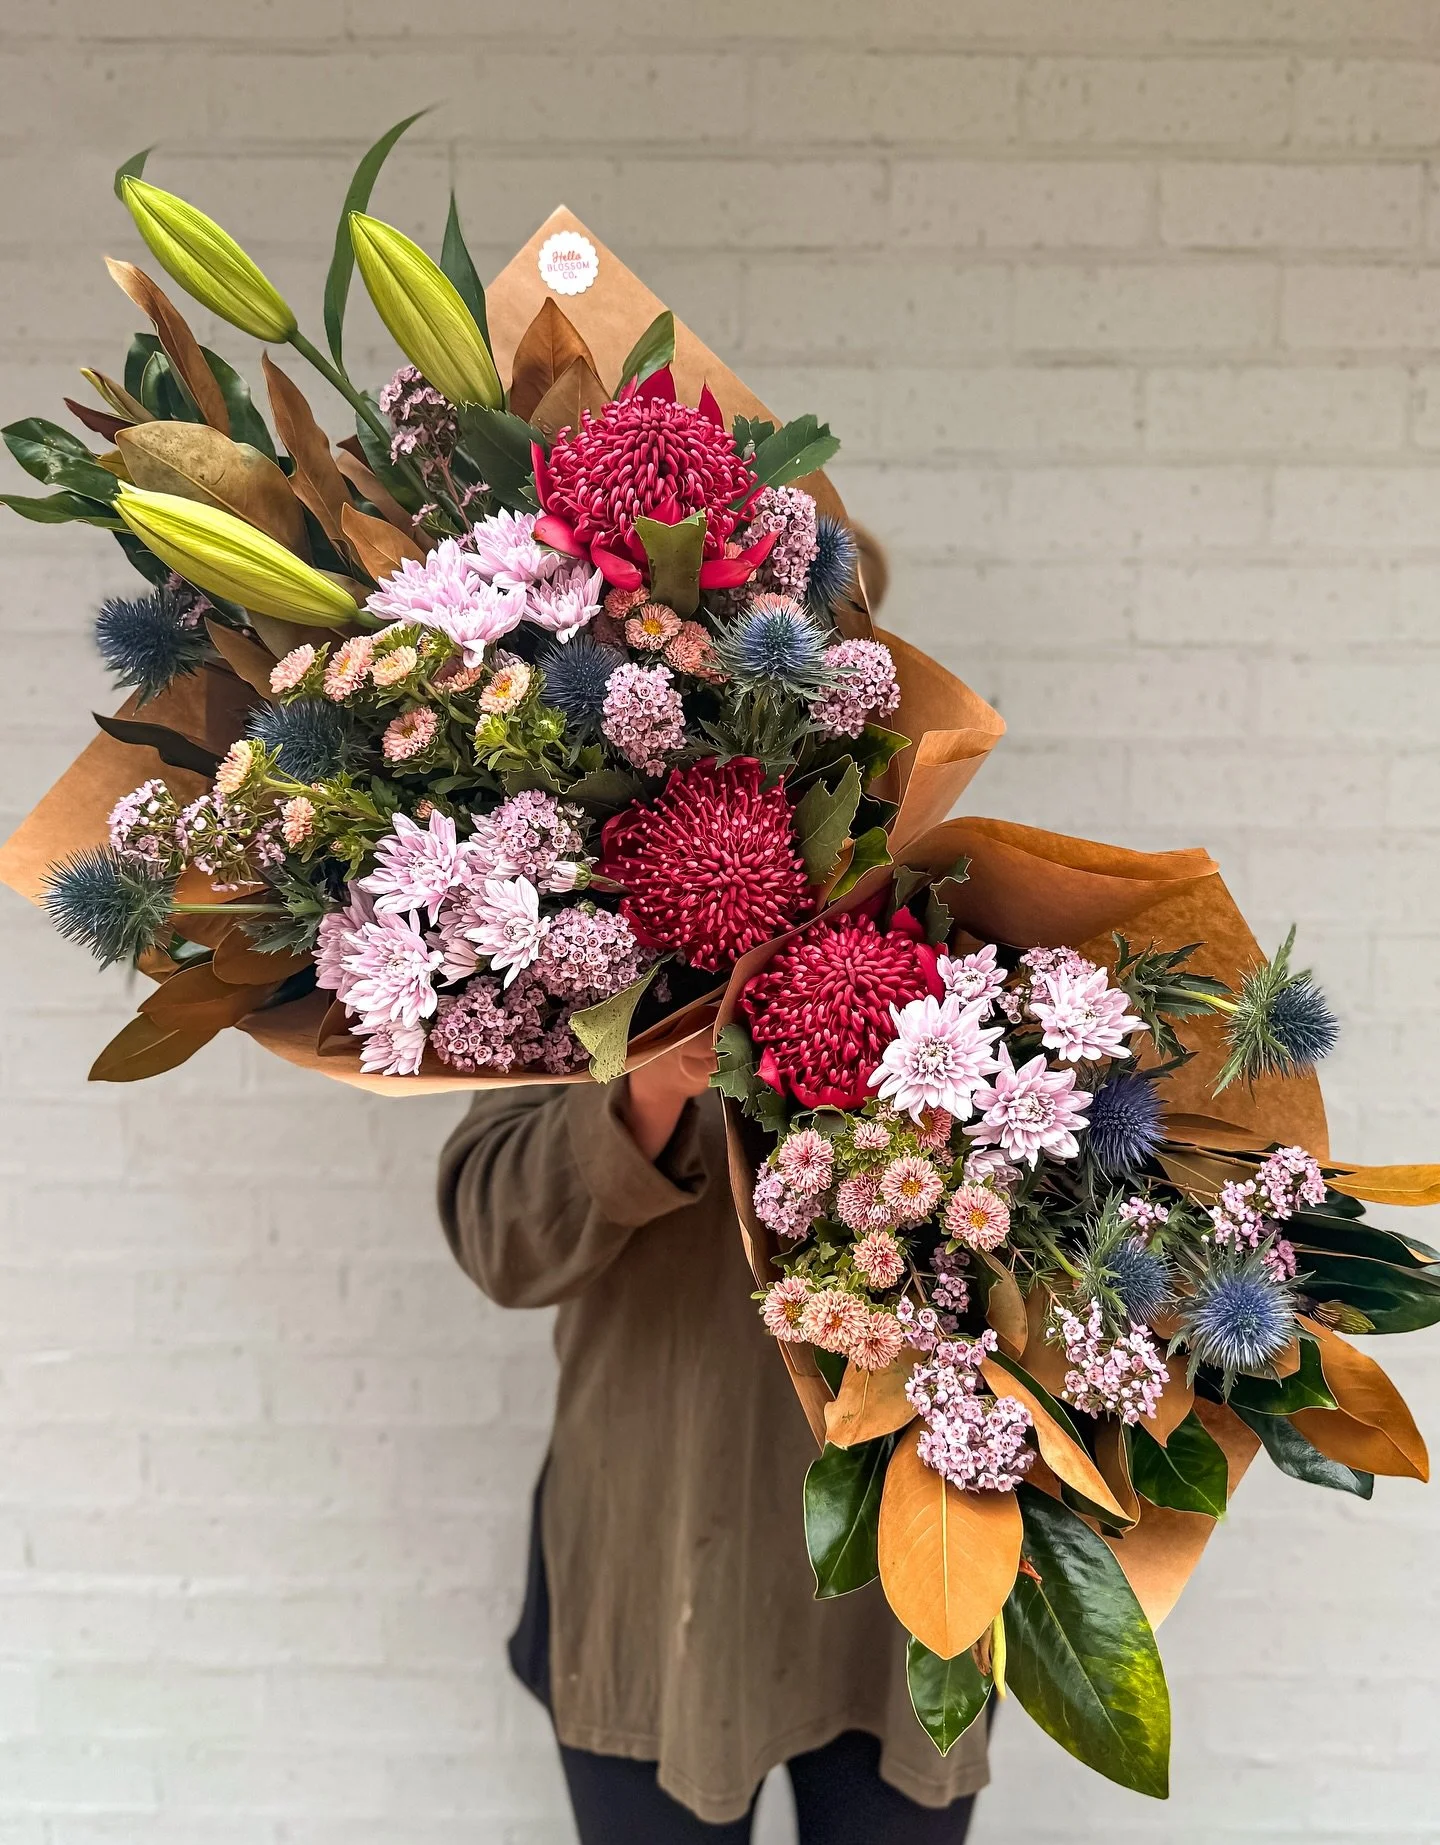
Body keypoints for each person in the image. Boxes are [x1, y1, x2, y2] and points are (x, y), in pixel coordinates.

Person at [437, 1036, 988, 1844]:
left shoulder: (990, 922)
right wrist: (650, 1088)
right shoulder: (585, 929)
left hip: (921, 1551)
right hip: (657, 1552)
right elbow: (499, 1233)